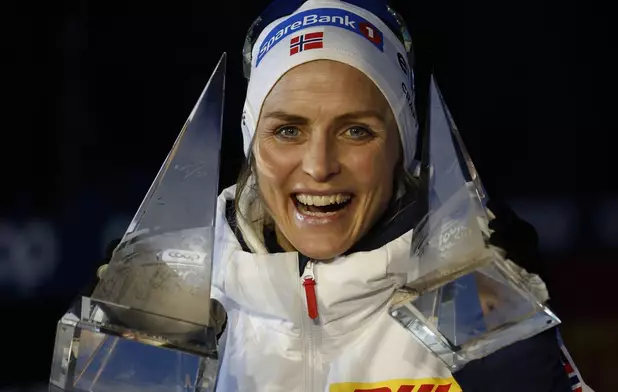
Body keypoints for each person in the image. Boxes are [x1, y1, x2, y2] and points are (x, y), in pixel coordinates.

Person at [96, 0, 592, 391]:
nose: (318, 166)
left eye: (356, 131)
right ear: (251, 144)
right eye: (288, 131)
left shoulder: (472, 301)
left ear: (403, 146)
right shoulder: (177, 305)